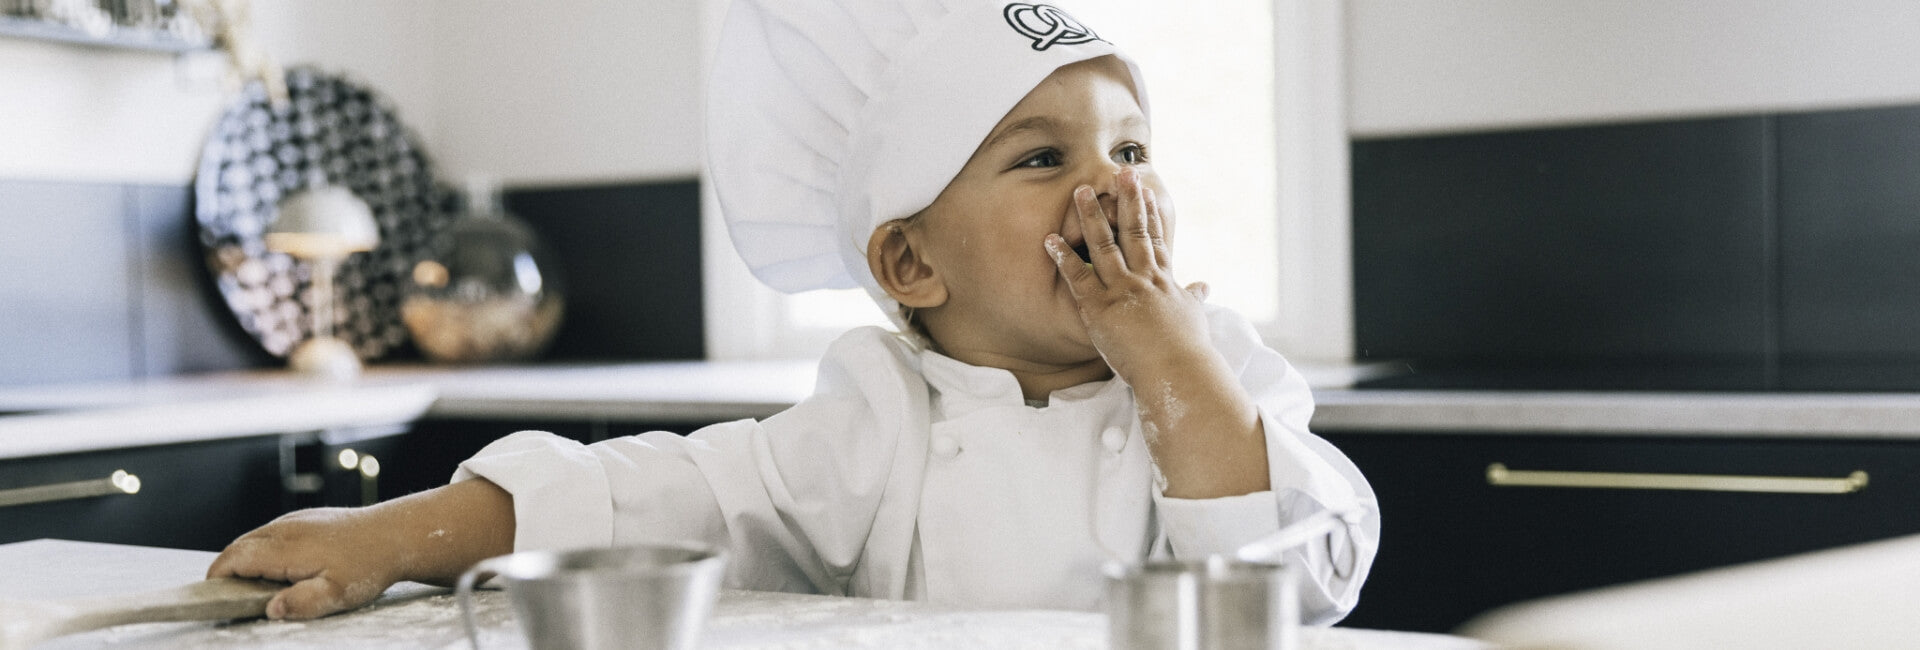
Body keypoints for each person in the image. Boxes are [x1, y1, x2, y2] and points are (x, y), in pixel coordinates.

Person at [208, 0, 1380, 625]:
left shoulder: (1226, 370)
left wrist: (1170, 359)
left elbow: (1309, 575)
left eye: (1130, 147)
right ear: (911, 263)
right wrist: (391, 537)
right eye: (1039, 157)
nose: (1111, 186)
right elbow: (654, 492)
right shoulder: (879, 419)